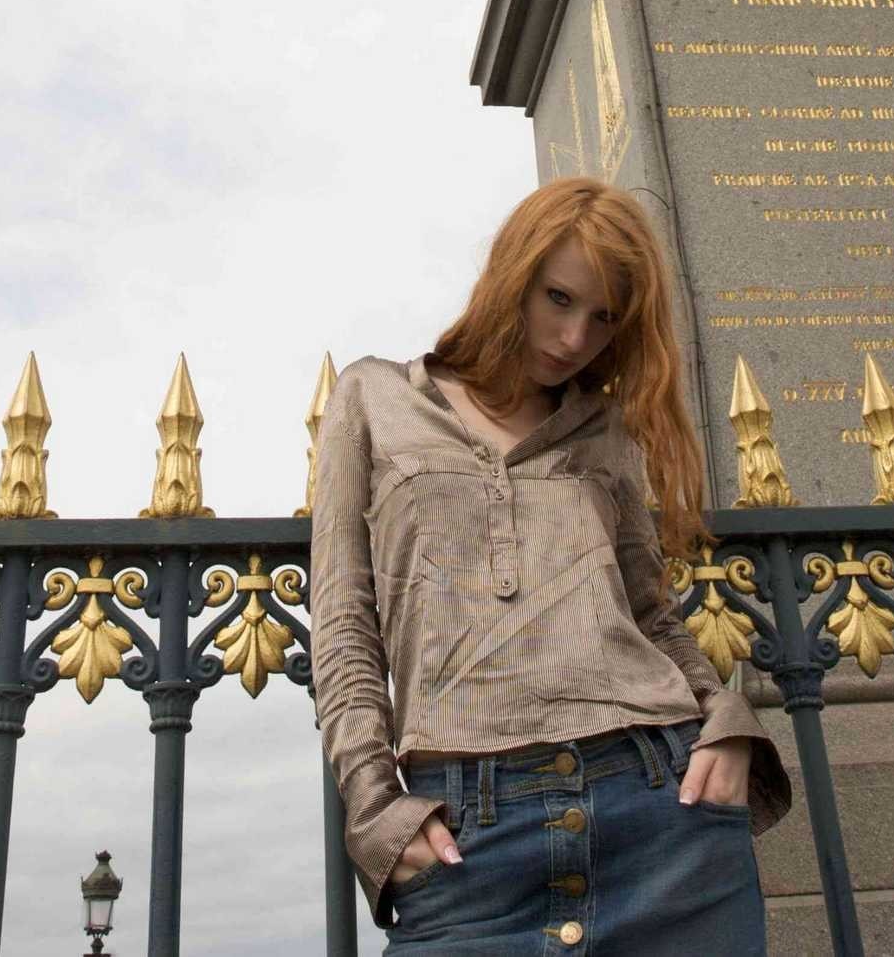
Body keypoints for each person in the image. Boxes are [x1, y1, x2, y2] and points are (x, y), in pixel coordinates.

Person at [309, 177, 790, 952]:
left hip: (662, 809)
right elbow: (342, 622)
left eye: (604, 320)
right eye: (558, 298)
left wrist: (728, 727)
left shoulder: (603, 432)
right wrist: (374, 809)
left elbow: (652, 617)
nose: (574, 340)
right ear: (512, 276)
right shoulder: (375, 398)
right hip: (469, 835)